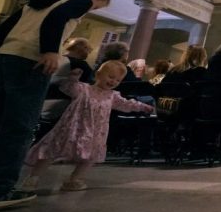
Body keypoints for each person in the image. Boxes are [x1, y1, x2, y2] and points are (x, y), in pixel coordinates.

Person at [0, 0, 112, 211]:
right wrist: (49, 50)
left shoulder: (36, 2)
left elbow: (1, 30)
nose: (94, 8)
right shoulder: (81, 0)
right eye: (99, 5)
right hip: (31, 62)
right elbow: (56, 19)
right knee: (18, 126)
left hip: (3, 57)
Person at [23, 61, 153, 192]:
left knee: (90, 157)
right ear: (98, 75)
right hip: (72, 128)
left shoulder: (113, 96)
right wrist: (73, 78)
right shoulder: (83, 89)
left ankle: (74, 180)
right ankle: (33, 178)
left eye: (118, 80)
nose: (113, 81)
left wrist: (142, 106)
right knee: (51, 150)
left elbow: (127, 104)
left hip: (95, 132)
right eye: (111, 77)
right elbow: (68, 88)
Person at [40, 37, 95, 131]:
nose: (88, 53)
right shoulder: (81, 65)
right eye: (88, 49)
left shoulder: (54, 59)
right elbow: (91, 85)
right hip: (64, 104)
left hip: (43, 98)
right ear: (82, 49)